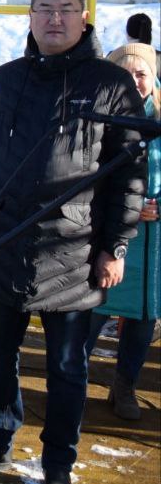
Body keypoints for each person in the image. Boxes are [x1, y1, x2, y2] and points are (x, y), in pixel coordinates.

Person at [0, 0, 145, 484]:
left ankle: (59, 466)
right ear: (29, 17)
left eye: (65, 9)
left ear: (83, 18)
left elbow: (129, 175)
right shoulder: (6, 79)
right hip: (6, 242)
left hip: (76, 251)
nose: (54, 18)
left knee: (65, 367)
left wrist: (115, 246)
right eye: (44, 9)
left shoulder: (109, 84)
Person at [83, 42, 159, 422]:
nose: (134, 81)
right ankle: (72, 380)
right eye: (126, 73)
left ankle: (125, 383)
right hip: (105, 228)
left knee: (143, 316)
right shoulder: (98, 116)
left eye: (141, 73)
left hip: (150, 240)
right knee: (92, 310)